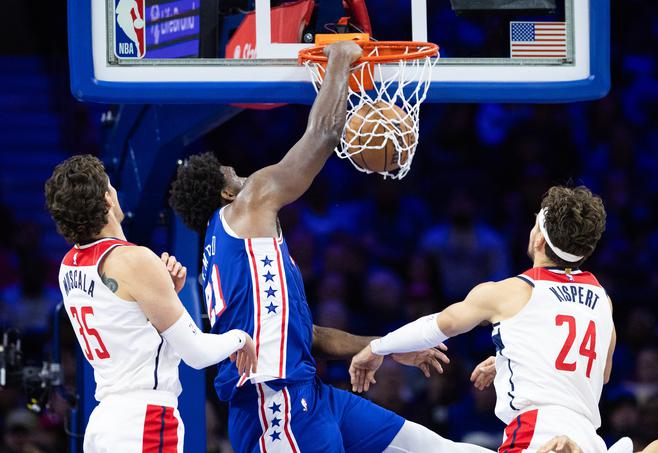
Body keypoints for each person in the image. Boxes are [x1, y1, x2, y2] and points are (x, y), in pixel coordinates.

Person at [169, 40, 492, 453]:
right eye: (235, 175)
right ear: (227, 195)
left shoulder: (237, 246)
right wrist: (340, 58)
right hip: (275, 406)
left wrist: (387, 349)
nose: (247, 175)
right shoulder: (249, 206)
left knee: (432, 448)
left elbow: (308, 335)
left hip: (310, 392)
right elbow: (322, 134)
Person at [350, 186, 616, 452]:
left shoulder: (511, 291)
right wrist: (513, 359)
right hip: (590, 441)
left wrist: (377, 347)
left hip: (539, 437)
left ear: (539, 240)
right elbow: (598, 374)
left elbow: (438, 326)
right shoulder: (603, 300)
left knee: (407, 442)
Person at [44, 155, 257, 452]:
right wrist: (239, 338)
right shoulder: (135, 260)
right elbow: (196, 353)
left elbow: (123, 321)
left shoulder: (68, 267)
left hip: (104, 422)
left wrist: (164, 291)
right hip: (144, 419)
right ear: (106, 198)